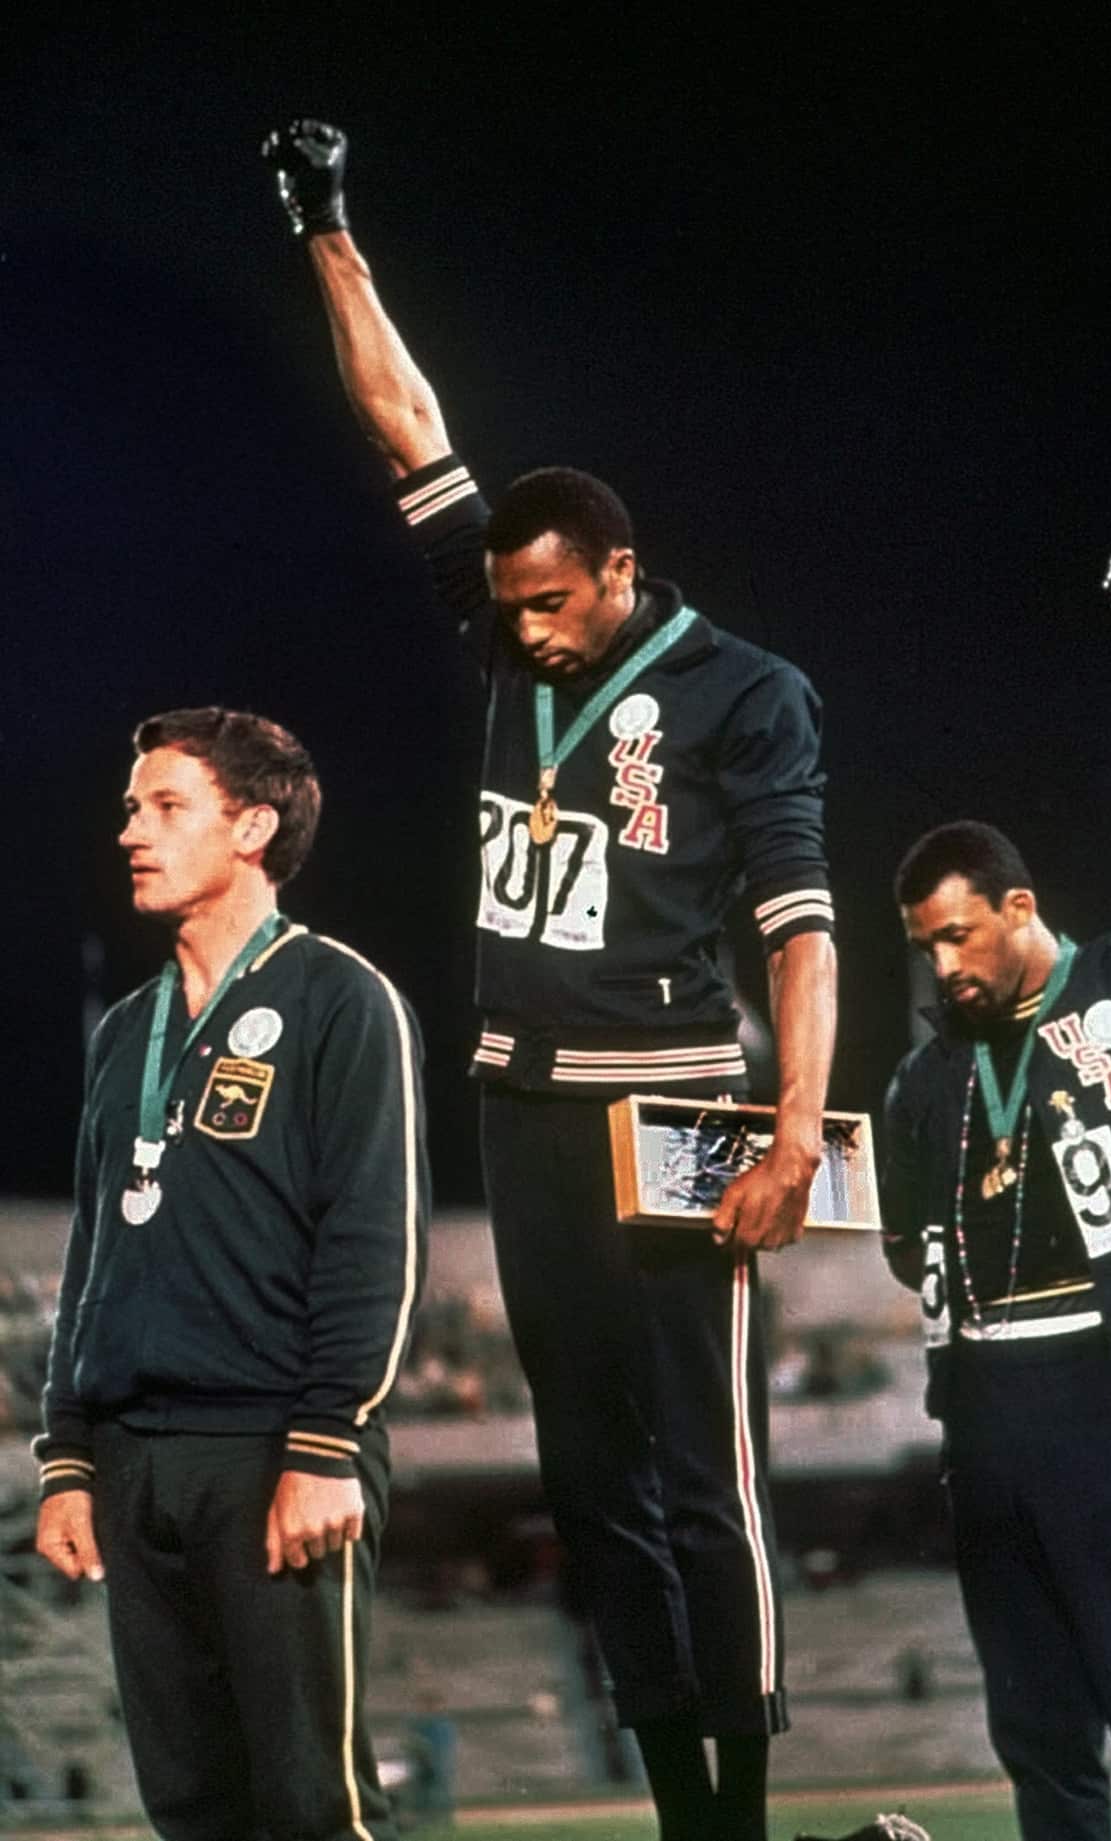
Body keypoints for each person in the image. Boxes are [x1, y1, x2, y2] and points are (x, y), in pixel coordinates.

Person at [262, 120, 838, 1841]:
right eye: (503, 608)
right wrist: (329, 230)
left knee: (704, 1480)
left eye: (548, 605)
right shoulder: (508, 622)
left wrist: (796, 1127)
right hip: (524, 1106)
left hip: (674, 1111)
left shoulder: (748, 695)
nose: (518, 632)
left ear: (619, 573)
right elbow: (409, 429)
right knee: (592, 1488)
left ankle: (740, 1806)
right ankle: (677, 1808)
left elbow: (803, 927)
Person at [880, 552, 1111, 1841]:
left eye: (957, 933)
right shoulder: (922, 1078)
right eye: (923, 942)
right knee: (1035, 1739)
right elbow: (893, 1243)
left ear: (1018, 907)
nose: (941, 962)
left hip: (1109, 1383)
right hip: (977, 1404)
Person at [34, 707, 428, 1841]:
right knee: (194, 1808)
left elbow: (371, 1240)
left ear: (252, 825)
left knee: (314, 1804)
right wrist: (67, 1456)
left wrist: (325, 1442)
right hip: (130, 1459)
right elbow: (93, 1252)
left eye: (165, 806)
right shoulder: (125, 1033)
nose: (130, 832)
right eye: (129, 807)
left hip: (272, 1452)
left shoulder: (340, 999)